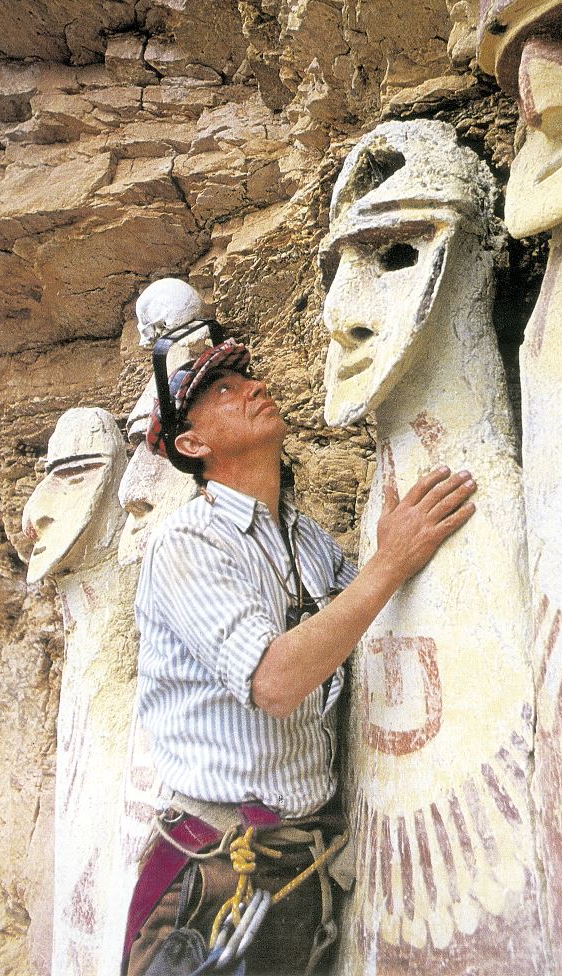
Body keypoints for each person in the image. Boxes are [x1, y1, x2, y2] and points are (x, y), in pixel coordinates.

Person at [123, 336, 476, 975]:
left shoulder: (305, 538)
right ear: (191, 445)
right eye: (222, 391)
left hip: (298, 865)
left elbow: (355, 627)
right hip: (215, 874)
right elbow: (274, 681)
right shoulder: (184, 544)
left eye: (245, 377)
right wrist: (390, 562)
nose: (253, 388)